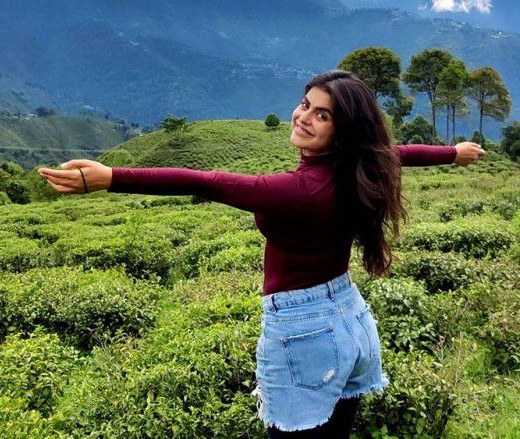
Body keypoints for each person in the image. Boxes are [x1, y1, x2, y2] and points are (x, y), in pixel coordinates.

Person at [38, 69, 485, 437]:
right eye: (305, 104)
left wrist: (112, 177)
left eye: (322, 115)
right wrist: (453, 153)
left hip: (306, 332)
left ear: (344, 131)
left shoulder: (300, 189)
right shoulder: (361, 162)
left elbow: (205, 181)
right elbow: (399, 152)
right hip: (350, 319)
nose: (303, 117)